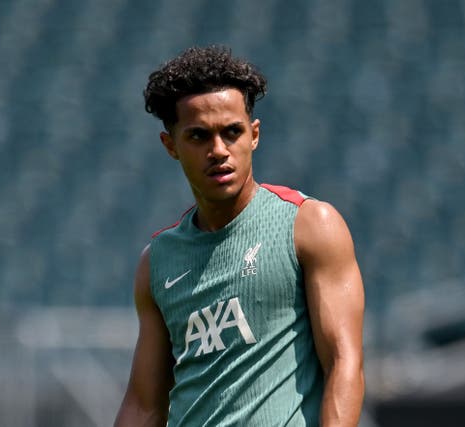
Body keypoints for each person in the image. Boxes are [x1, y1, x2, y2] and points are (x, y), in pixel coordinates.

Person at [114, 45, 364, 426]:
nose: (218, 151)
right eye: (199, 136)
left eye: (232, 132)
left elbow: (344, 363)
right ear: (171, 146)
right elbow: (144, 405)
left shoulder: (309, 225)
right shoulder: (157, 262)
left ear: (254, 135)